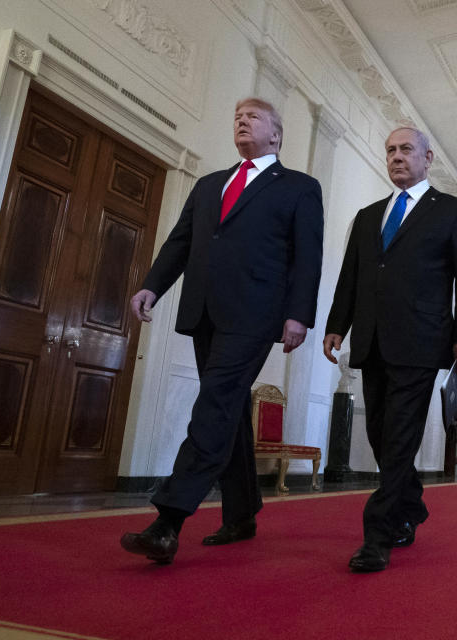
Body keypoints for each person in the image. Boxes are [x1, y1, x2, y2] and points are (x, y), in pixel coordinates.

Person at [120, 97, 324, 564]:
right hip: (204, 311)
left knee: (214, 403)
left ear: (275, 134)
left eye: (253, 117)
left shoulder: (298, 187)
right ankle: (242, 512)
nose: (242, 121)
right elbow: (182, 240)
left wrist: (299, 315)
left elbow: (307, 257)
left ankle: (168, 521)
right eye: (236, 116)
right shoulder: (210, 184)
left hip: (256, 315)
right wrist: (153, 286)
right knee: (227, 408)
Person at [323, 126, 457, 572]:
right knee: (379, 434)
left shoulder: (452, 211)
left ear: (428, 157)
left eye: (406, 149)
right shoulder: (369, 215)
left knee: (399, 439)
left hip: (421, 340)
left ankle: (378, 535)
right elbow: (350, 276)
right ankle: (411, 504)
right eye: (390, 150)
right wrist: (338, 325)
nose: (396, 156)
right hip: (370, 340)